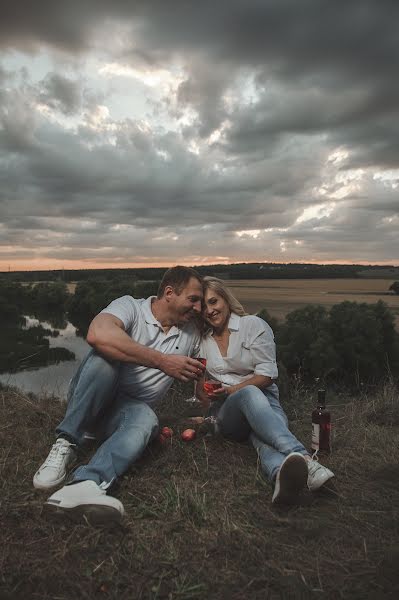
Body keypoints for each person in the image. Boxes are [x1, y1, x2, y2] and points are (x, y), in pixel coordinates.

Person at [33, 266, 205, 523]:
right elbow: (97, 334)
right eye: (193, 299)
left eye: (201, 302)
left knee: (147, 418)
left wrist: (212, 406)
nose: (199, 308)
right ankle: (66, 441)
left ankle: (84, 486)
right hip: (91, 399)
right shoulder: (130, 307)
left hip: (124, 417)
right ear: (169, 293)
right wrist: (162, 361)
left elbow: (214, 351)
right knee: (106, 357)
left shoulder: (192, 332)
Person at [197, 277, 334, 505]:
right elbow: (200, 387)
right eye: (203, 307)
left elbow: (267, 375)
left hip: (264, 401)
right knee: (249, 395)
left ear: (226, 299)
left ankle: (280, 475)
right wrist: (208, 412)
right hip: (226, 412)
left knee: (261, 435)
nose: (210, 310)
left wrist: (232, 389)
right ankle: (307, 460)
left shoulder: (252, 325)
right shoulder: (201, 340)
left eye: (214, 301)